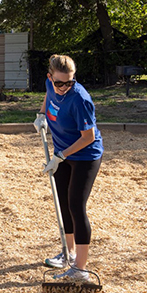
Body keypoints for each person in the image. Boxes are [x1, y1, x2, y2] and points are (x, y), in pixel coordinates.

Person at [34, 54, 103, 281]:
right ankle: (68, 253)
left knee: (76, 205)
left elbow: (88, 137)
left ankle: (80, 269)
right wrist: (42, 115)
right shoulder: (50, 85)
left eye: (69, 82)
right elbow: (48, 96)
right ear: (50, 77)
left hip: (84, 156)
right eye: (59, 82)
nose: (63, 87)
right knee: (62, 202)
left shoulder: (80, 99)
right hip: (62, 155)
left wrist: (61, 155)